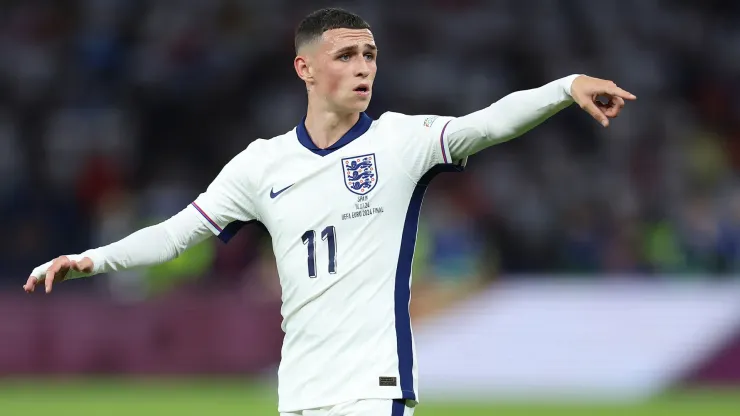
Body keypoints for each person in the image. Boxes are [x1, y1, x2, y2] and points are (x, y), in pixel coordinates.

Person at [23, 7, 636, 416]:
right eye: (345, 55)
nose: (364, 67)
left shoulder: (398, 142)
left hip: (374, 389)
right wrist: (92, 259)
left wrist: (564, 86)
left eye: (369, 54)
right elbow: (178, 234)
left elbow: (486, 124)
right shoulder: (262, 165)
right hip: (300, 391)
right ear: (305, 68)